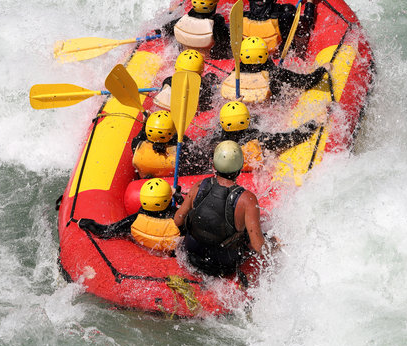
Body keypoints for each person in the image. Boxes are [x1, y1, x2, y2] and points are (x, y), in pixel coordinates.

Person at [174, 140, 271, 277]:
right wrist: (275, 249)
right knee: (265, 237)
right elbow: (258, 246)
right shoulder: (247, 199)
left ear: (214, 165)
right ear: (240, 167)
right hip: (223, 265)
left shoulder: (199, 186)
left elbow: (178, 220)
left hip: (191, 256)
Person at [77, 178, 181, 253]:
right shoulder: (178, 222)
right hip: (171, 253)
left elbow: (105, 231)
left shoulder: (133, 221)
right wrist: (179, 198)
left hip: (146, 248)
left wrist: (89, 224)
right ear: (168, 199)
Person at [221, 36, 332, 103]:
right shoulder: (274, 73)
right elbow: (306, 82)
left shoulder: (235, 74)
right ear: (265, 54)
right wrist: (322, 69)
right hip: (271, 110)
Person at [243, 0, 320, 57]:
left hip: (249, 58)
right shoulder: (283, 18)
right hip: (277, 60)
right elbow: (307, 23)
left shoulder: (241, 17)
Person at [162, 0, 231, 59]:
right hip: (210, 61)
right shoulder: (216, 25)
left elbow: (165, 30)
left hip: (185, 59)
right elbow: (225, 44)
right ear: (214, 3)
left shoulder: (181, 21)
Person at [153, 49, 219, 112]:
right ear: (200, 71)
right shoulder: (204, 88)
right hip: (198, 102)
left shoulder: (169, 81)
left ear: (176, 67)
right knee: (211, 77)